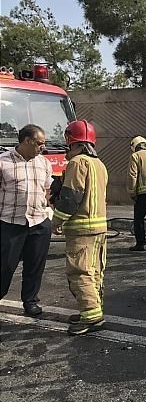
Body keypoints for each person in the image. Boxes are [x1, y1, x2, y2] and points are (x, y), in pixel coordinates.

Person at [51, 120, 109, 336]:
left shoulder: (77, 163)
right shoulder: (99, 164)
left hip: (81, 228)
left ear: (70, 141)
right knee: (93, 271)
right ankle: (91, 310)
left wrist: (56, 221)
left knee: (79, 273)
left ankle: (92, 317)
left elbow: (71, 196)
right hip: (99, 227)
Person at [0, 124, 53, 316]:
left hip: (39, 222)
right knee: (5, 266)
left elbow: (48, 189)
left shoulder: (43, 163)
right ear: (27, 141)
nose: (42, 147)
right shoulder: (3, 162)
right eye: (40, 143)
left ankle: (30, 301)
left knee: (35, 266)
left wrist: (51, 212)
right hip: (10, 224)